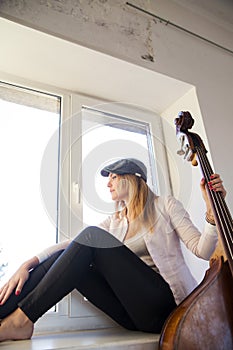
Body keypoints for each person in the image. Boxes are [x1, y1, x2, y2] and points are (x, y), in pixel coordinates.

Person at [0, 158, 226, 342]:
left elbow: (203, 250)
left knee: (91, 237)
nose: (109, 184)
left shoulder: (165, 205)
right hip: (131, 315)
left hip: (165, 309)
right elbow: (69, 246)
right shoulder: (114, 222)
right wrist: (27, 264)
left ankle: (21, 321)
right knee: (70, 256)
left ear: (133, 179)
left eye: (114, 177)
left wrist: (210, 211)